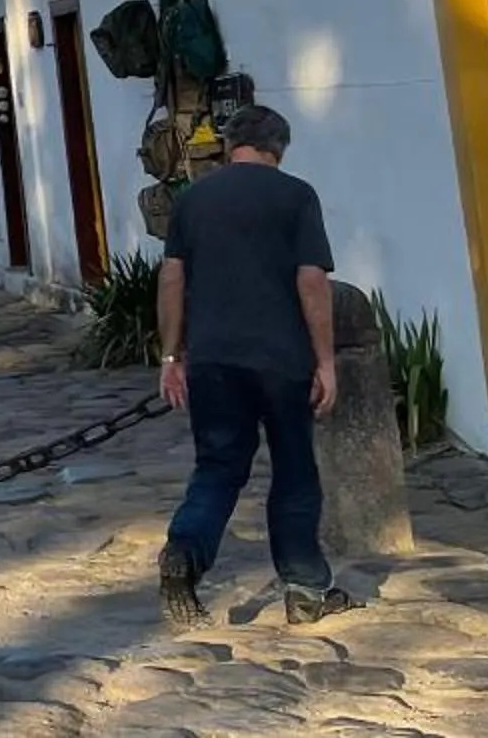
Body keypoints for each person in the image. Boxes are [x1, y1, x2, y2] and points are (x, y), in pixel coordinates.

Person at [156, 104, 355, 627]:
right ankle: (306, 589)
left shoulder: (192, 199)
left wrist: (172, 356)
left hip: (213, 359)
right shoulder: (295, 196)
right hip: (281, 358)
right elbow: (311, 280)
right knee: (293, 470)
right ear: (279, 148)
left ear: (228, 146)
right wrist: (326, 362)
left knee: (218, 467)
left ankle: (185, 550)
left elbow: (172, 279)